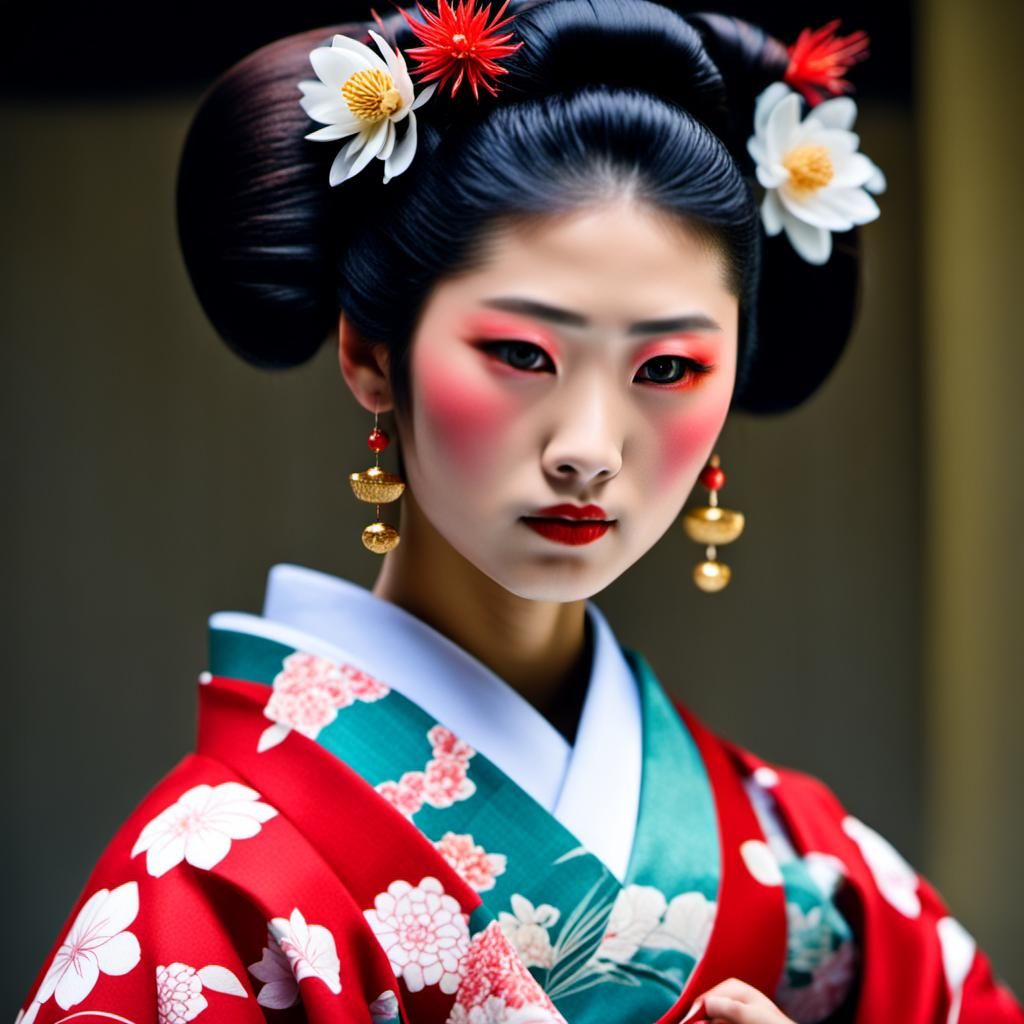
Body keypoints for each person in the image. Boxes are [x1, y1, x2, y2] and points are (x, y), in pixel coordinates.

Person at [15, 2, 1023, 1023]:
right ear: (369, 349)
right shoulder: (208, 895)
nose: (589, 445)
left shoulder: (812, 878)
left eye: (668, 367)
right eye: (519, 354)